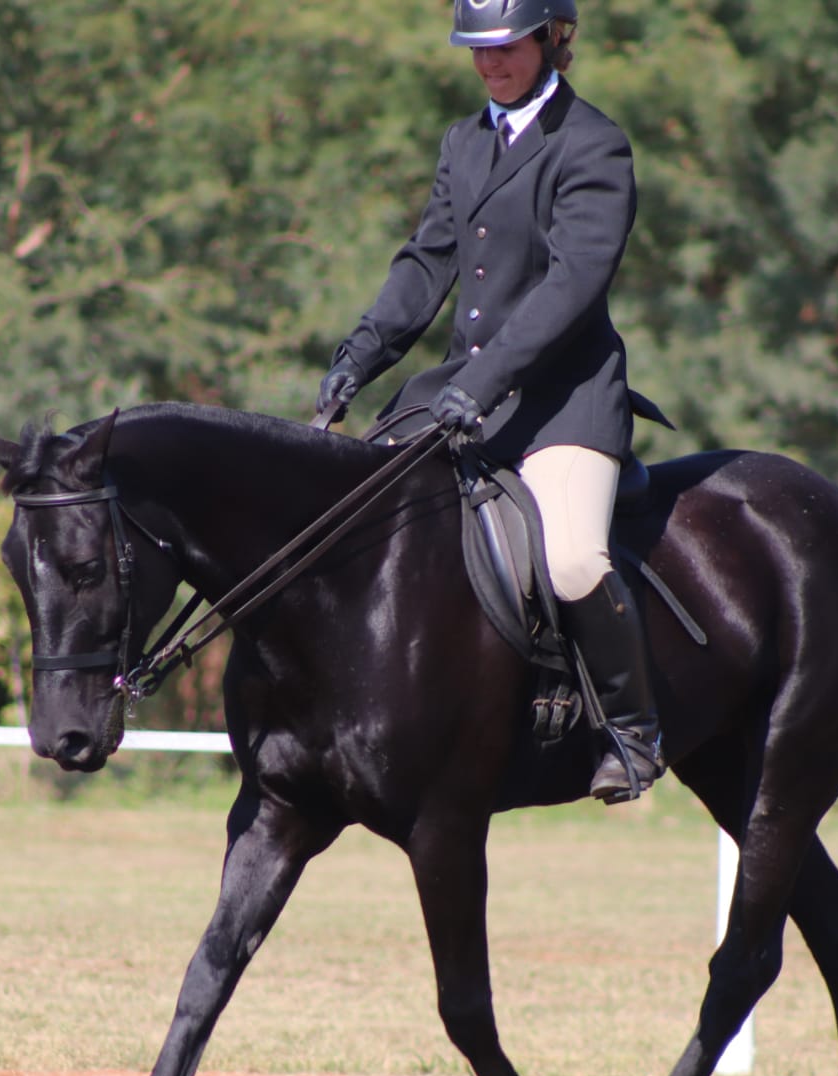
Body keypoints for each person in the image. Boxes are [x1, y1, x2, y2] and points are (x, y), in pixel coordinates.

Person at [316, 0, 670, 802]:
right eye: (477, 50)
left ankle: (632, 728)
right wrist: (358, 356)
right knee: (356, 518)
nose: (489, 64)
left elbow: (570, 288)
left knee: (574, 557)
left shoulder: (593, 145)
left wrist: (480, 384)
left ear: (552, 39)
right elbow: (426, 263)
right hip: (457, 392)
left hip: (561, 401)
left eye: (506, 47)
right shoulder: (465, 141)